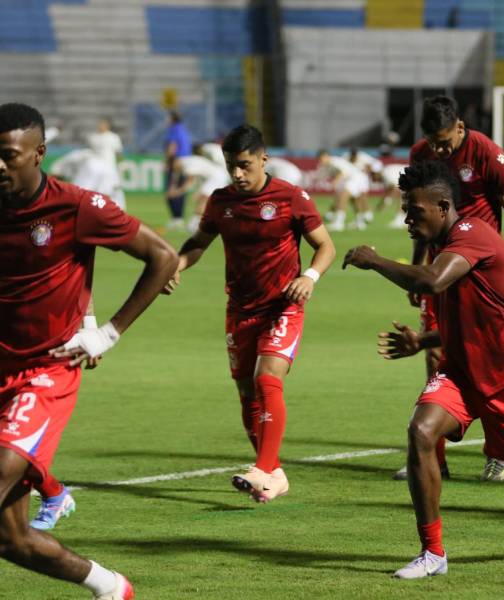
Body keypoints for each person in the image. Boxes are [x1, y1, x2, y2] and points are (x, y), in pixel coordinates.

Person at [343, 161, 504, 578]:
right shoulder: (445, 244)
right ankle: (433, 553)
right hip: (461, 373)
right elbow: (470, 322)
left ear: (443, 206)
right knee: (421, 430)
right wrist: (422, 342)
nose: (408, 219)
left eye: (415, 211)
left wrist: (374, 259)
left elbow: (431, 282)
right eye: (406, 210)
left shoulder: (474, 234)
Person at [0, 103, 178, 598]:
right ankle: (111, 587)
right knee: (11, 539)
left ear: (38, 154)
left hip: (45, 372)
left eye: (7, 156)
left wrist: (106, 332)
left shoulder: (76, 206)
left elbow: (162, 258)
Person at [164, 125, 335, 502]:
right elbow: (198, 243)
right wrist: (175, 266)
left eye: (244, 165)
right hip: (240, 309)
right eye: (231, 167)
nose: (237, 174)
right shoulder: (220, 201)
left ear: (263, 159)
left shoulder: (291, 197)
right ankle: (273, 475)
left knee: (267, 377)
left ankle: (261, 466)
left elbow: (325, 246)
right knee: (245, 391)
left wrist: (309, 276)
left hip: (283, 306)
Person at [398, 95, 504, 483]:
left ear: (459, 127)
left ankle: (498, 451)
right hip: (441, 269)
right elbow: (420, 213)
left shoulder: (486, 152)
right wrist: (418, 263)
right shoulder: (421, 152)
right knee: (433, 350)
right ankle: (435, 458)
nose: (437, 150)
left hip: (481, 273)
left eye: (444, 142)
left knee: (489, 359)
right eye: (431, 142)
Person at [167, 144, 230, 233]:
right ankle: (197, 225)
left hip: (217, 177)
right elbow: (175, 176)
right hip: (214, 177)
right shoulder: (183, 162)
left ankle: (194, 226)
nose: (173, 170)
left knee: (203, 201)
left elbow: (188, 184)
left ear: (175, 162)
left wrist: (176, 193)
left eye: (172, 167)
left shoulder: (188, 165)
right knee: (206, 202)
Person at [316, 150, 371, 231]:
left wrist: (335, 182)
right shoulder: (327, 166)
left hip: (355, 178)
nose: (321, 161)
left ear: (327, 156)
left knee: (343, 197)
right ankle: (360, 223)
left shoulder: (334, 162)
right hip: (353, 179)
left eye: (321, 159)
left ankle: (338, 224)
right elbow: (322, 176)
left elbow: (341, 172)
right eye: (319, 159)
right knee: (354, 200)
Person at [86, 118, 125, 210]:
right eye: (100, 124)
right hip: (97, 170)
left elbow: (118, 153)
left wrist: (121, 164)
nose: (101, 126)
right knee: (96, 192)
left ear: (108, 125)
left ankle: (115, 209)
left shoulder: (113, 137)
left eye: (103, 124)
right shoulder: (93, 138)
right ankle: (99, 211)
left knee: (112, 190)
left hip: (110, 168)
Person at [164, 111, 192, 230]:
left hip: (176, 162)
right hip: (186, 162)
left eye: (168, 118)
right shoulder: (183, 130)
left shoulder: (174, 130)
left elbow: (172, 147)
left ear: (172, 119)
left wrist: (167, 162)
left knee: (171, 189)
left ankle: (176, 218)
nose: (166, 120)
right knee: (180, 190)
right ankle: (179, 218)